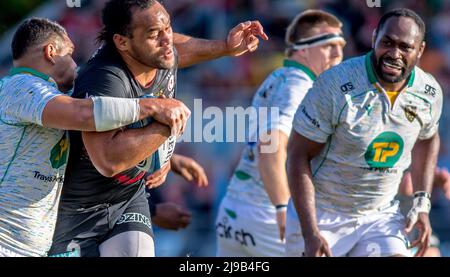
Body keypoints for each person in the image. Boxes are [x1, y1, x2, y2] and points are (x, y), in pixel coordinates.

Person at [49, 0, 268, 257]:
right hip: (76, 210)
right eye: (154, 34)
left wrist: (225, 47)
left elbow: (179, 48)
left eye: (168, 27)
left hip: (128, 199)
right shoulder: (105, 80)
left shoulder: (157, 52)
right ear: (122, 42)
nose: (167, 40)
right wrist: (165, 128)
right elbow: (108, 160)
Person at [0, 17, 190, 257]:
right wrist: (150, 107)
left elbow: (91, 147)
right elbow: (86, 113)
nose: (75, 64)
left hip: (32, 248)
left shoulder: (53, 100)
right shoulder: (20, 87)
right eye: (70, 55)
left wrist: (167, 158)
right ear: (50, 52)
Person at [286, 8, 442, 257]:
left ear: (420, 50)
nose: (394, 54)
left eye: (405, 47)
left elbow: (428, 138)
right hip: (323, 213)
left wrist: (421, 204)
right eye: (387, 43)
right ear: (374, 38)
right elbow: (296, 154)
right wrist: (310, 232)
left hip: (380, 215)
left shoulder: (429, 92)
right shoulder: (335, 85)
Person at [215, 10, 345, 257]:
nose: (338, 54)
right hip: (269, 219)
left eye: (340, 45)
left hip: (234, 211)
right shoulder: (300, 86)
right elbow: (270, 146)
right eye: (329, 46)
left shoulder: (277, 77)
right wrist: (282, 207)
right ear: (303, 49)